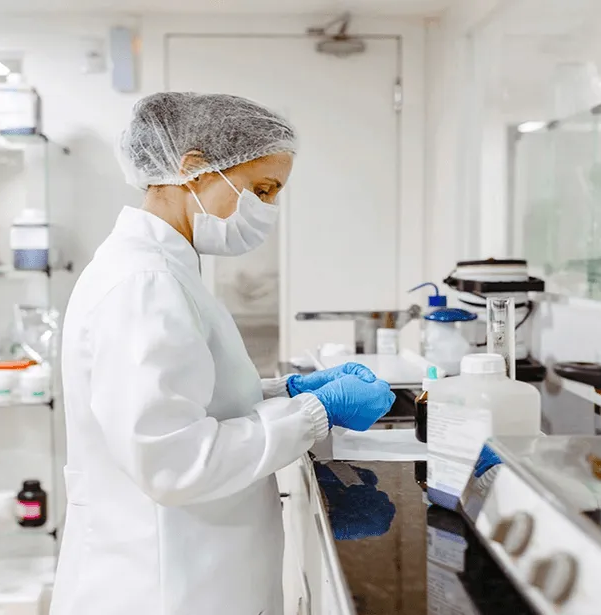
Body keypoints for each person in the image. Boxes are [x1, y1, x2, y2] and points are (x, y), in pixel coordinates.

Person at [49, 92, 396, 615]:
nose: (268, 209)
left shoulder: (162, 268)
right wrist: (314, 413)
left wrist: (285, 392)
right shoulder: (145, 282)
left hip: (189, 571)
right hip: (163, 587)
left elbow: (184, 399)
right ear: (192, 168)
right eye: (261, 189)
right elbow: (174, 462)